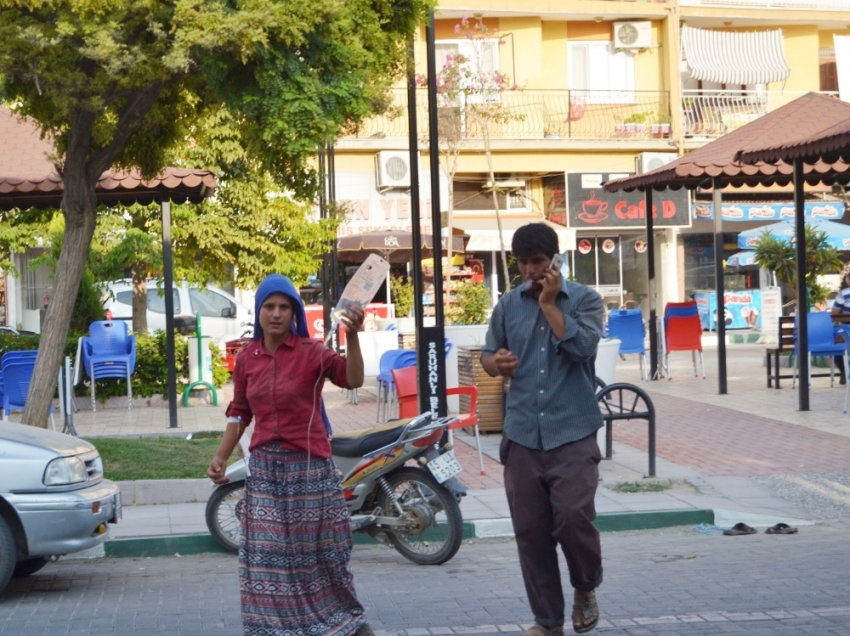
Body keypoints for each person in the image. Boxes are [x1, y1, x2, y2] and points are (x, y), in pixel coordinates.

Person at [207, 274, 373, 636]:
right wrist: (220, 457)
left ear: (295, 312)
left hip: (310, 472)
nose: (277, 314)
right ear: (259, 312)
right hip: (266, 472)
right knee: (266, 562)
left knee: (319, 559)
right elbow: (239, 411)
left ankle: (347, 625)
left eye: (285, 307)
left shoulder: (313, 353)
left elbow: (353, 379)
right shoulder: (247, 359)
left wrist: (354, 335)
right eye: (269, 306)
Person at [481, 223, 605, 635]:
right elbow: (487, 354)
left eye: (538, 261)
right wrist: (494, 364)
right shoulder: (507, 305)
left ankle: (585, 587)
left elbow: (583, 348)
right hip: (521, 436)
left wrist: (551, 305)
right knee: (530, 532)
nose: (531, 270)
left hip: (572, 432)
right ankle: (547, 621)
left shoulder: (585, 300)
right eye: (523, 262)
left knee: (572, 517)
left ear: (555, 260)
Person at [830, 263, 850, 385]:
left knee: (835, 342)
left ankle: (843, 370)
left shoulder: (844, 293)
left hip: (847, 330)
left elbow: (834, 314)